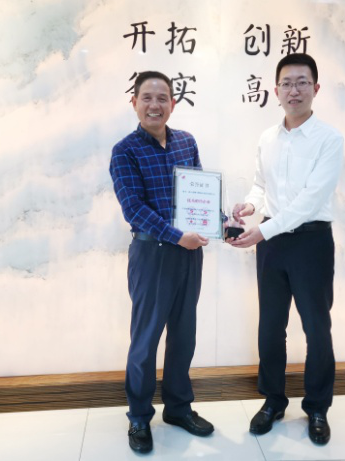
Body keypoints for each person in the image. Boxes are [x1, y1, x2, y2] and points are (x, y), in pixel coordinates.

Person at [229, 53, 344, 445]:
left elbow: (310, 201)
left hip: (311, 241)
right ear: (275, 90)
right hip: (273, 244)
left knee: (316, 327)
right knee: (270, 326)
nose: (294, 90)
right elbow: (261, 186)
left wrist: (263, 230)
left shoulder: (330, 139)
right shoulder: (267, 138)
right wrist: (250, 206)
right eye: (287, 83)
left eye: (302, 82)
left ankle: (317, 407)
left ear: (316, 88)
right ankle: (273, 401)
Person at [109, 71, 214, 454]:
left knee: (184, 334)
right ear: (134, 102)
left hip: (189, 254)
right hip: (152, 253)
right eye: (147, 98)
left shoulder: (187, 141)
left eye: (162, 98)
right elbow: (133, 208)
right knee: (146, 339)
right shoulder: (125, 151)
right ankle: (139, 416)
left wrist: (220, 223)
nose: (155, 105)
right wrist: (177, 236)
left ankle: (178, 407)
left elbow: (200, 194)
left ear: (173, 102)